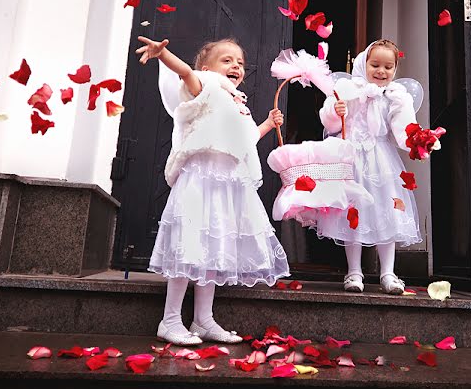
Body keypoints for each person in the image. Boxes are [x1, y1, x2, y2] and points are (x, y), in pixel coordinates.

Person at [135, 36, 290, 345]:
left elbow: (244, 140)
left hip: (228, 183)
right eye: (227, 60)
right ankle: (170, 319)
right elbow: (187, 74)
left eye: (240, 62)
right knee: (189, 245)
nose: (235, 66)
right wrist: (164, 53)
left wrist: (267, 127)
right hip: (201, 179)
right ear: (207, 68)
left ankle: (203, 319)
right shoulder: (205, 84)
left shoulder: (237, 102)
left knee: (214, 248)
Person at [315, 39, 423, 295]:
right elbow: (331, 122)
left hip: (381, 162)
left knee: (388, 212)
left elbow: (402, 129)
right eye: (375, 64)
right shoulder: (349, 89)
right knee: (353, 213)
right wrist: (335, 111)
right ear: (363, 63)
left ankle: (388, 272)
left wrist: (417, 142)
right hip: (352, 158)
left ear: (395, 69)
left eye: (388, 66)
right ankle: (354, 271)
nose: (381, 71)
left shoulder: (396, 97)